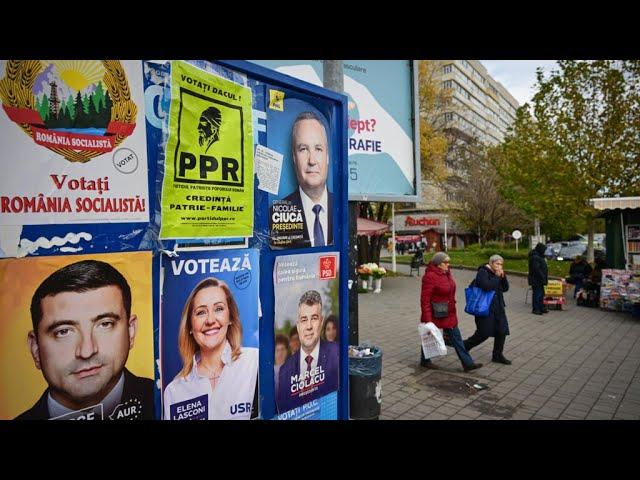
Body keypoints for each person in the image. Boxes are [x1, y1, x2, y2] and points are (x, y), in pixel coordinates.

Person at [16, 260, 154, 420]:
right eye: (64, 332)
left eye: (105, 324)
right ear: (35, 348)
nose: (87, 351)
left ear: (130, 331)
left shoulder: (166, 400)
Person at [163, 277, 258, 420]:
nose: (210, 320)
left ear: (230, 317)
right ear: (189, 326)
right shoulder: (174, 391)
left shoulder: (254, 362)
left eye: (218, 309)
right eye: (201, 312)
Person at [276, 290, 339, 414]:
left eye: (314, 318)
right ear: (298, 325)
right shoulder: (285, 371)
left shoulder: (336, 353)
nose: (309, 326)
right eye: (304, 320)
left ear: (321, 322)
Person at [420, 252, 482, 372]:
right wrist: (428, 320)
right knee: (430, 337)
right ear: (438, 264)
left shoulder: (447, 273)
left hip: (449, 312)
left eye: (448, 262)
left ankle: (468, 364)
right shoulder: (429, 276)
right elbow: (425, 300)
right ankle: (425, 360)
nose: (448, 264)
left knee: (456, 338)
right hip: (435, 313)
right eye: (446, 262)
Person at [283, 111, 333, 247]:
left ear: (327, 156)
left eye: (318, 149)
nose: (312, 160)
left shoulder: (341, 209)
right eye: (303, 149)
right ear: (294, 157)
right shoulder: (274, 216)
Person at [463, 255, 512, 365]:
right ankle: (464, 346)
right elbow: (486, 286)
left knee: (501, 331)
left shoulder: (498, 274)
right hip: (484, 307)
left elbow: (505, 288)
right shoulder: (483, 272)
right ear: (491, 263)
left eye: (501, 264)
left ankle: (497, 355)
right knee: (483, 333)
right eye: (497, 264)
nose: (499, 266)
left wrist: (503, 277)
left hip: (498, 307)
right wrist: (497, 277)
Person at [528, 242, 549, 315]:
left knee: (541, 294)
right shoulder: (535, 257)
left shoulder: (539, 256)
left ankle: (541, 307)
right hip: (536, 279)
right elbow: (536, 269)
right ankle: (536, 309)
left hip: (539, 279)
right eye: (544, 249)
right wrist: (542, 276)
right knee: (537, 294)